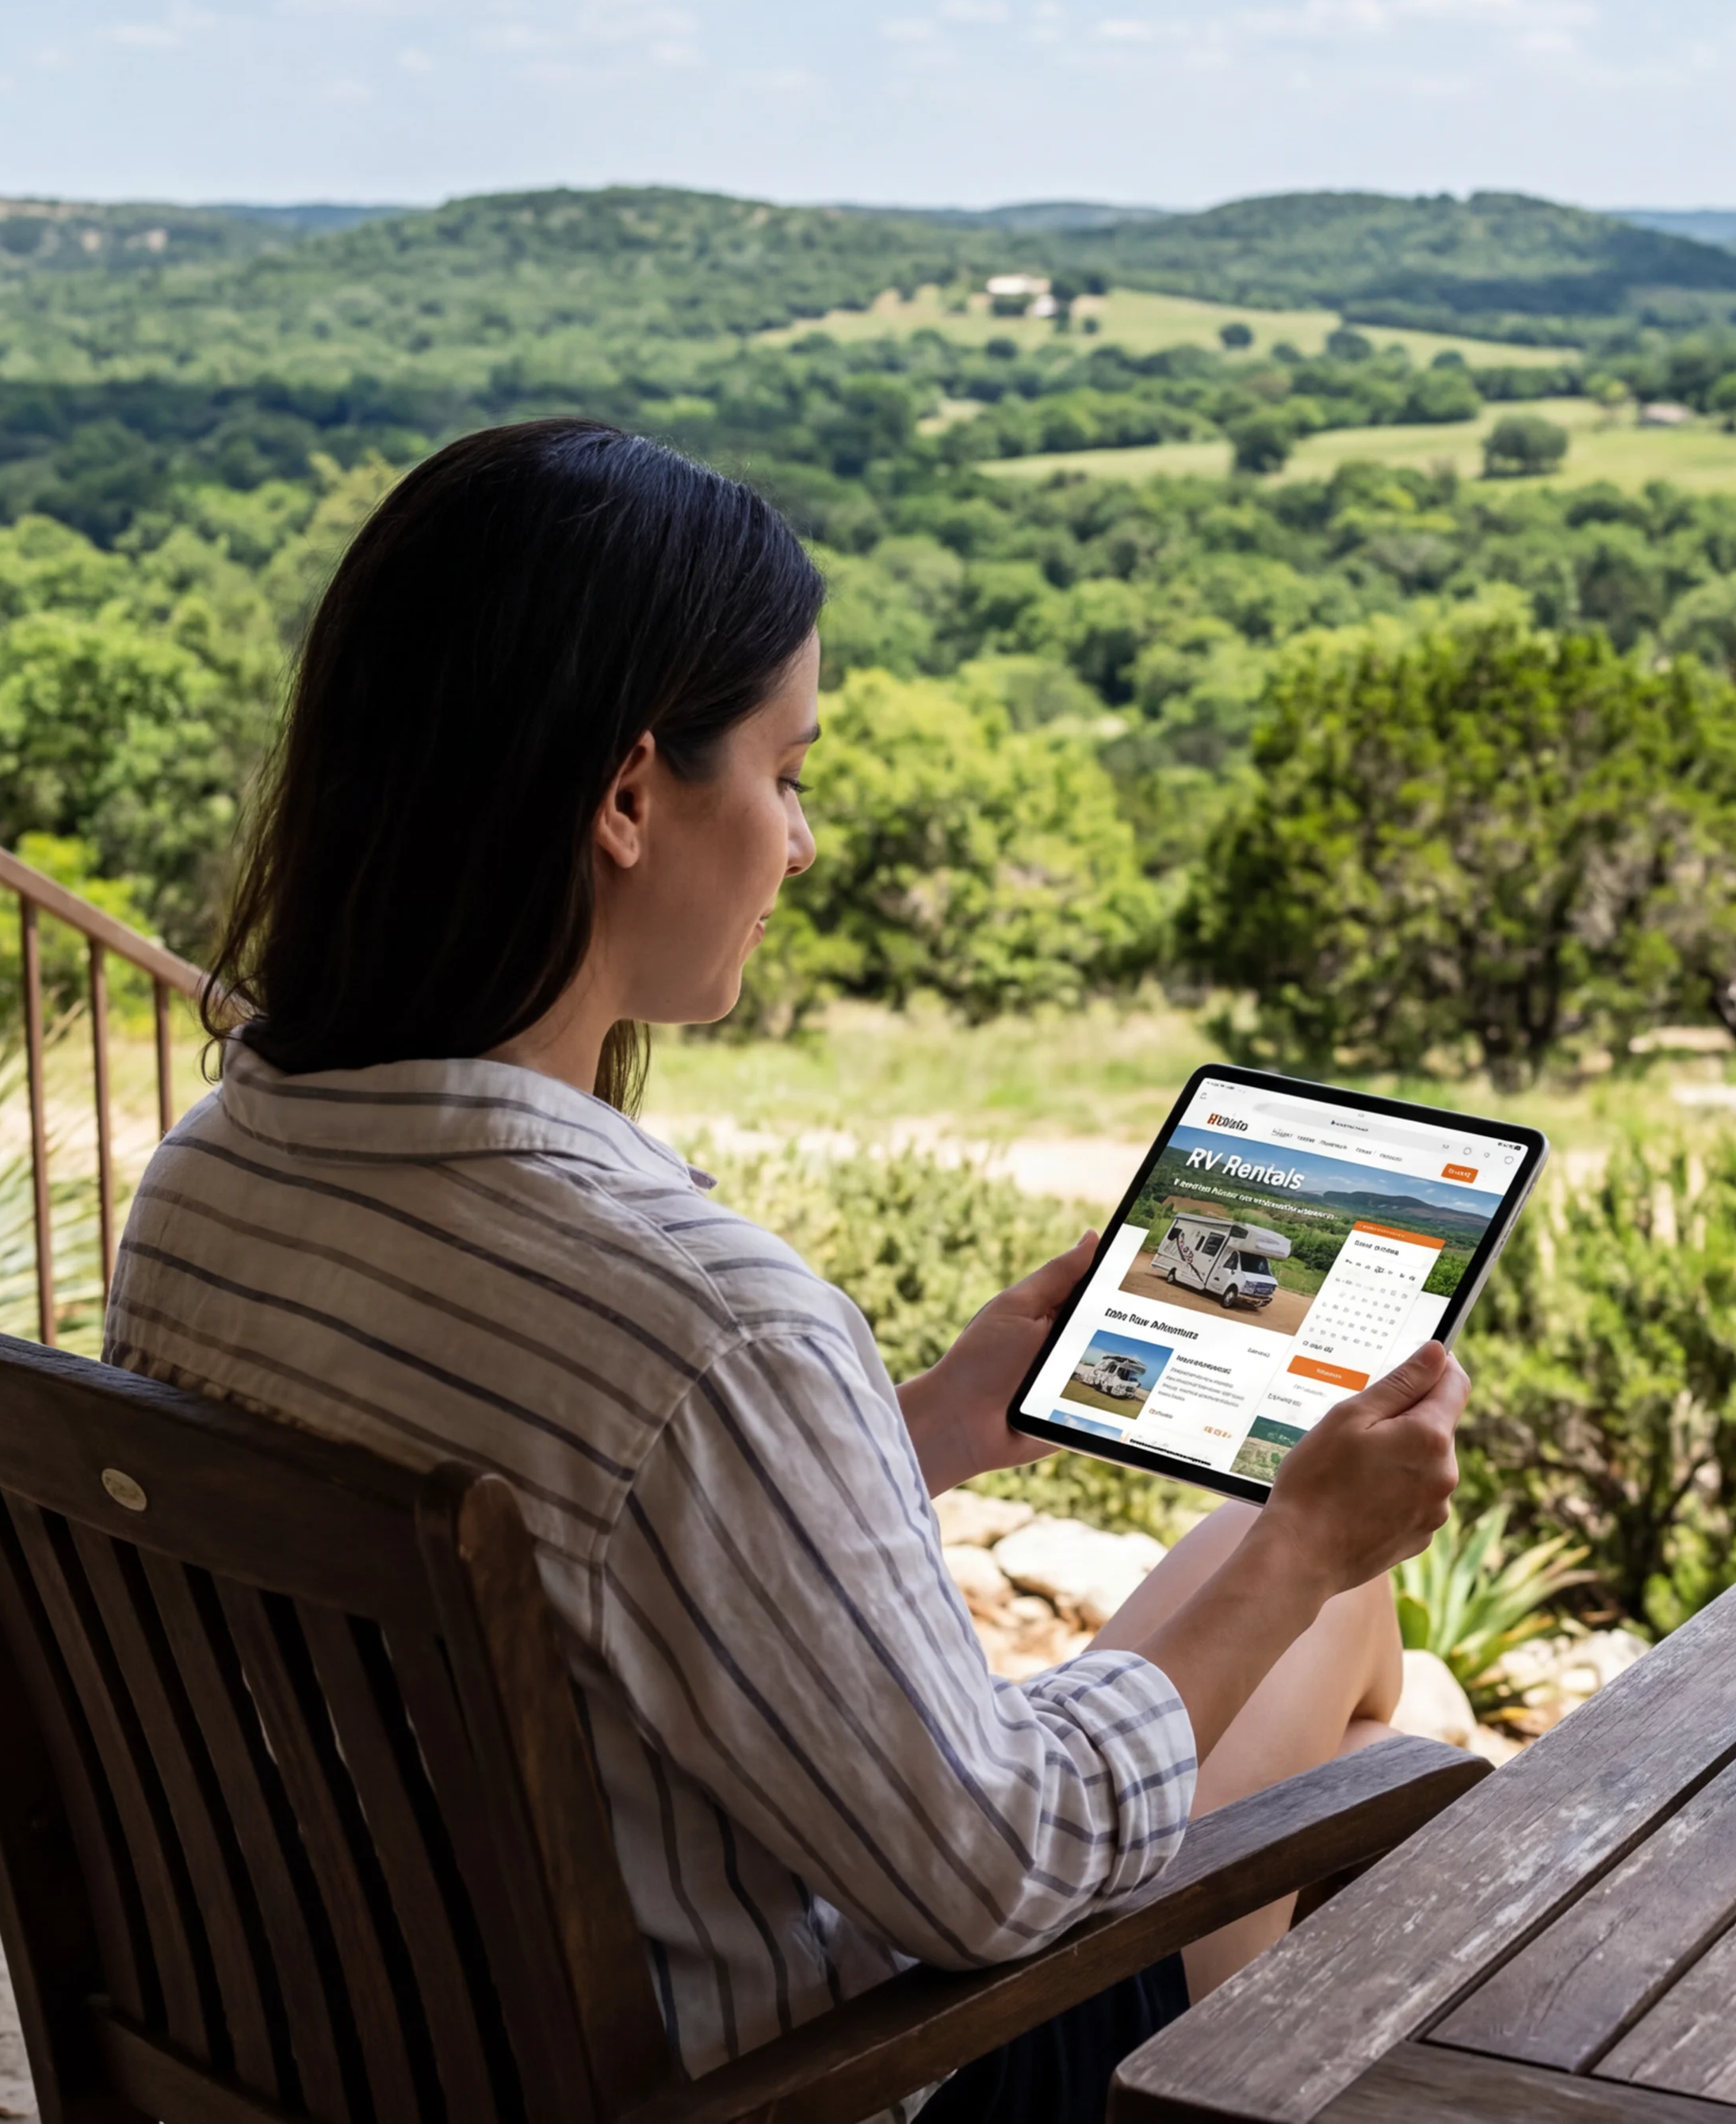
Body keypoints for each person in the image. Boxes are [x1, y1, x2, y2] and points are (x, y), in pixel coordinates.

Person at [104, 419, 1463, 2122]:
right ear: (625, 796)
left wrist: (927, 1424)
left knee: (1279, 1627)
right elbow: (990, 1874)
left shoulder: (214, 1176)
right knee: (1333, 1637)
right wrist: (1315, 1540)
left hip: (367, 2032)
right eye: (786, 770)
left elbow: (572, 1548)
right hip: (788, 2086)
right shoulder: (697, 1323)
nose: (801, 842)